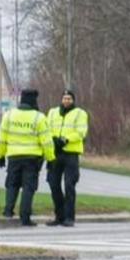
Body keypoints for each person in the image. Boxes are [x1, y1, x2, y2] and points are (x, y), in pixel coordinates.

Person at [0, 88, 53, 226]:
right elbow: (46, 141)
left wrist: (0, 156)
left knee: (12, 184)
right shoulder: (39, 117)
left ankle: (8, 211)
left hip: (14, 156)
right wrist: (50, 158)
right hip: (32, 158)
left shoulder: (9, 115)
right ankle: (25, 217)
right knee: (28, 187)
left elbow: (1, 138)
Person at [46, 89, 89, 227]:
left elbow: (81, 132)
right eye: (64, 98)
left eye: (69, 99)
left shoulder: (80, 113)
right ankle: (59, 216)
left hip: (70, 153)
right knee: (53, 184)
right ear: (61, 100)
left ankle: (69, 217)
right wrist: (53, 139)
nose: (66, 101)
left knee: (69, 185)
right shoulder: (52, 112)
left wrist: (65, 140)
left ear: (73, 100)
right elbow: (46, 128)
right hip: (55, 152)